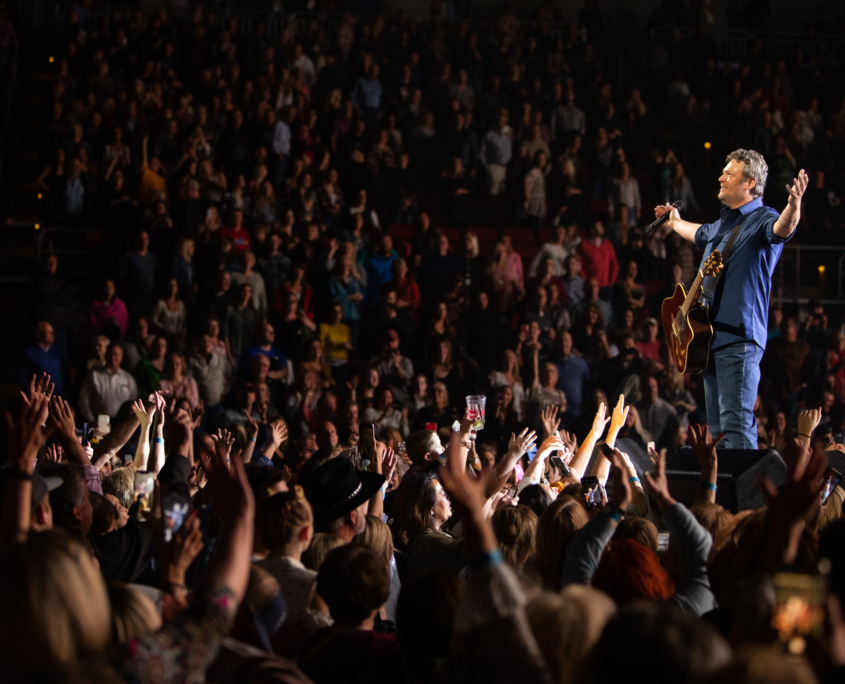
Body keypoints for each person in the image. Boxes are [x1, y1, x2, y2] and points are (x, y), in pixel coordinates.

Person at [654, 150, 808, 448]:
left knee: (735, 427)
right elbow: (699, 233)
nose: (721, 177)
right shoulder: (723, 224)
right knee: (718, 433)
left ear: (750, 183)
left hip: (738, 339)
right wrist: (673, 222)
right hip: (709, 341)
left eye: (729, 174)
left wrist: (794, 206)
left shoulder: (764, 218)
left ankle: (746, 481)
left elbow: (783, 228)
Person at [78, 343, 139, 421]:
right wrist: (91, 419)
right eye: (110, 354)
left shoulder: (128, 378)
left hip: (123, 422)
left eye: (116, 354)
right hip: (100, 422)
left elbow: (134, 400)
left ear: (121, 357)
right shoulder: (94, 375)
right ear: (105, 355)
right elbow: (83, 399)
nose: (113, 357)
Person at [20, 321, 65, 397]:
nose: (52, 335)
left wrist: (66, 392)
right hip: (39, 396)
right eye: (49, 332)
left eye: (53, 332)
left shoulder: (58, 352)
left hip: (58, 395)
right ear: (38, 334)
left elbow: (65, 374)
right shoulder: (30, 352)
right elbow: (22, 376)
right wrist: (31, 392)